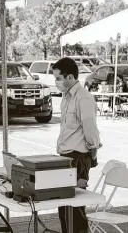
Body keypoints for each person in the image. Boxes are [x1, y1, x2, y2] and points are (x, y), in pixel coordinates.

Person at [52, 58, 101, 233]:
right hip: (65, 158)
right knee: (64, 209)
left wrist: (92, 156)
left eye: (58, 78)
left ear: (70, 77)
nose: (56, 82)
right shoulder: (66, 98)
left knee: (76, 210)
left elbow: (91, 132)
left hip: (78, 159)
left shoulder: (83, 98)